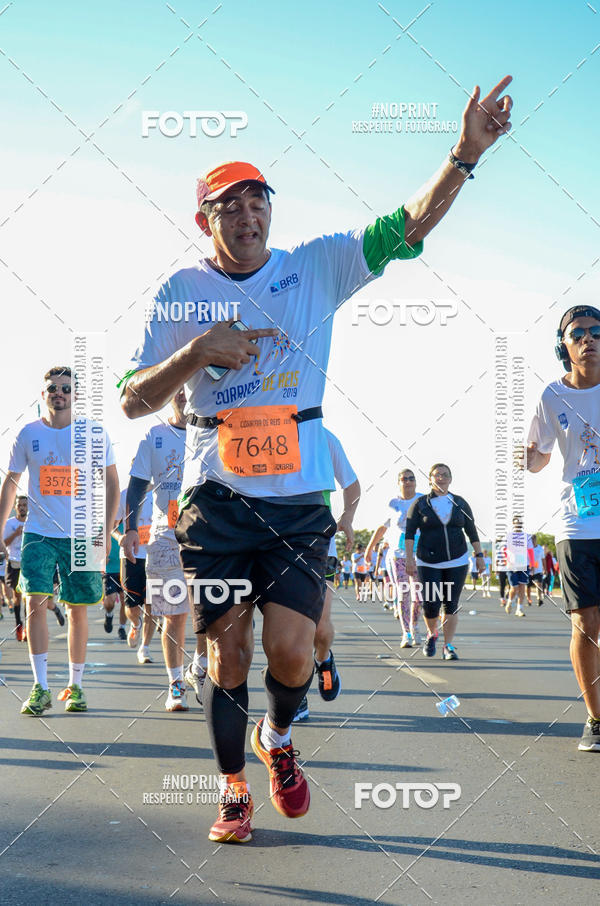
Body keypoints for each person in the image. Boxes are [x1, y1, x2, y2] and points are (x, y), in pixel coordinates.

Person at [119, 78, 513, 843]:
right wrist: (197, 352)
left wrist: (465, 152)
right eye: (227, 204)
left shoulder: (318, 267)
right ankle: (233, 788)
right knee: (228, 654)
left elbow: (406, 226)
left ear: (272, 209)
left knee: (293, 650)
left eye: (256, 198)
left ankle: (280, 737)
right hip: (217, 497)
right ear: (204, 219)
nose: (246, 212)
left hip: (298, 498)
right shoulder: (181, 291)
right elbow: (134, 396)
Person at [0, 366, 119, 715]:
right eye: (53, 388)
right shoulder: (28, 434)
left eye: (66, 388)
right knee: (35, 601)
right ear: (43, 394)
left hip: (81, 532)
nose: (59, 393)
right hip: (38, 532)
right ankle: (40, 687)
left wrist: (107, 529)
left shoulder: (93, 433)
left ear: (75, 395)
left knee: (77, 609)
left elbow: (112, 482)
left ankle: (76, 686)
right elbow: (11, 483)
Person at [527, 305, 600, 752]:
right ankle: (596, 718)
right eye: (578, 334)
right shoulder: (552, 396)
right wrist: (529, 457)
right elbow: (539, 459)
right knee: (586, 622)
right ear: (564, 347)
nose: (589, 339)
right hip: (577, 523)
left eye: (596, 331)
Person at [126, 389, 208, 711]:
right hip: (165, 535)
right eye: (177, 389)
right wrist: (131, 528)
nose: (184, 395)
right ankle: (175, 684)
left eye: (190, 387)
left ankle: (199, 666)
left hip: (205, 533)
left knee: (209, 613)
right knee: (173, 616)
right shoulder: (154, 435)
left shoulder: (213, 430)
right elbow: (136, 485)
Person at [293, 428, 360, 722]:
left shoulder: (322, 436)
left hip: (320, 543)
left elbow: (352, 485)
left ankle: (324, 659)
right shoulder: (261, 426)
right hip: (273, 545)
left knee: (319, 628)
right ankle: (296, 696)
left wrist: (347, 517)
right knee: (286, 629)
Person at [405, 463, 484, 660]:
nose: (441, 478)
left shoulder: (460, 503)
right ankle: (432, 634)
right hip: (427, 562)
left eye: (445, 475)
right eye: (437, 475)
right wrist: (409, 559)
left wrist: (479, 556)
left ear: (450, 479)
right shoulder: (420, 504)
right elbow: (409, 533)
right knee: (431, 604)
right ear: (430, 479)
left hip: (457, 561)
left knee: (451, 604)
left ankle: (448, 646)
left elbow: (471, 531)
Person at [366, 469, 423, 646]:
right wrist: (369, 549)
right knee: (403, 593)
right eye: (404, 479)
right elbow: (382, 528)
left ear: (415, 481)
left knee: (419, 596)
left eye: (411, 478)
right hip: (398, 554)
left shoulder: (423, 500)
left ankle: (415, 626)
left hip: (420, 554)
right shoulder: (393, 503)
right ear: (398, 483)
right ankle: (406, 633)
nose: (408, 481)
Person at [116, 486, 156, 663]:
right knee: (131, 607)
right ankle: (135, 623)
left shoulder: (162, 493)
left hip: (155, 555)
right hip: (131, 556)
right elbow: (111, 524)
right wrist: (119, 538)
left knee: (152, 605)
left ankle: (145, 648)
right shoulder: (125, 495)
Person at [4, 495, 28, 640]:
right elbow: (4, 543)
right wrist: (16, 533)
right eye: (19, 505)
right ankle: (19, 625)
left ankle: (27, 629)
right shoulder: (8, 523)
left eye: (24, 505)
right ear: (15, 507)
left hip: (28, 564)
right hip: (14, 563)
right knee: (17, 598)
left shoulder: (33, 523)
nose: (22, 507)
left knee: (28, 598)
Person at [528, 534, 545, 606]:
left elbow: (543, 559)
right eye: (532, 540)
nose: (533, 541)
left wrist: (545, 568)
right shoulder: (528, 548)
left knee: (539, 584)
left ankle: (539, 598)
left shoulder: (540, 548)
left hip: (538, 570)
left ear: (536, 540)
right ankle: (529, 599)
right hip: (529, 570)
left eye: (534, 540)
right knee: (528, 586)